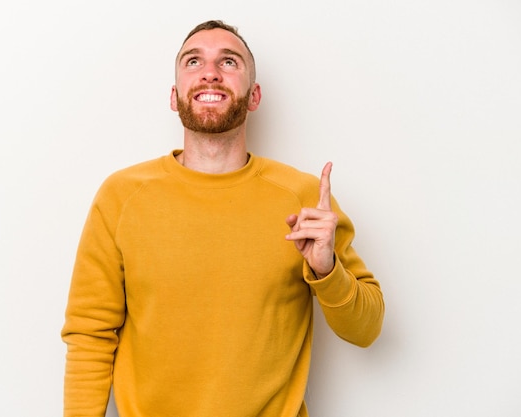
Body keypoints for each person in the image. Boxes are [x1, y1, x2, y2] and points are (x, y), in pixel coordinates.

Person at [61, 20, 384, 417]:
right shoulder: (121, 196)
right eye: (193, 61)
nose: (210, 72)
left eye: (228, 62)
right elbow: (90, 336)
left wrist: (327, 270)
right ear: (174, 94)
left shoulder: (304, 198)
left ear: (254, 96)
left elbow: (367, 329)